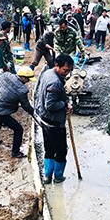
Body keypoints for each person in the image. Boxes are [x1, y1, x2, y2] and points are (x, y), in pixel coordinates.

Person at [34, 54, 74, 184]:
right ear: (57, 66)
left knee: (49, 149)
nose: (67, 73)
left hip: (44, 119)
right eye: (65, 70)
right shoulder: (55, 82)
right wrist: (65, 105)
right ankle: (58, 177)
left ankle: (47, 177)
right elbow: (50, 105)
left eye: (69, 70)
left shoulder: (47, 73)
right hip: (54, 122)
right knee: (61, 151)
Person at [0, 66, 37, 158]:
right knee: (18, 129)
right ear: (23, 77)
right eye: (28, 79)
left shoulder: (6, 75)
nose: (29, 81)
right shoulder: (22, 90)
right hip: (1, 112)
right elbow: (25, 105)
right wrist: (33, 112)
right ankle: (15, 152)